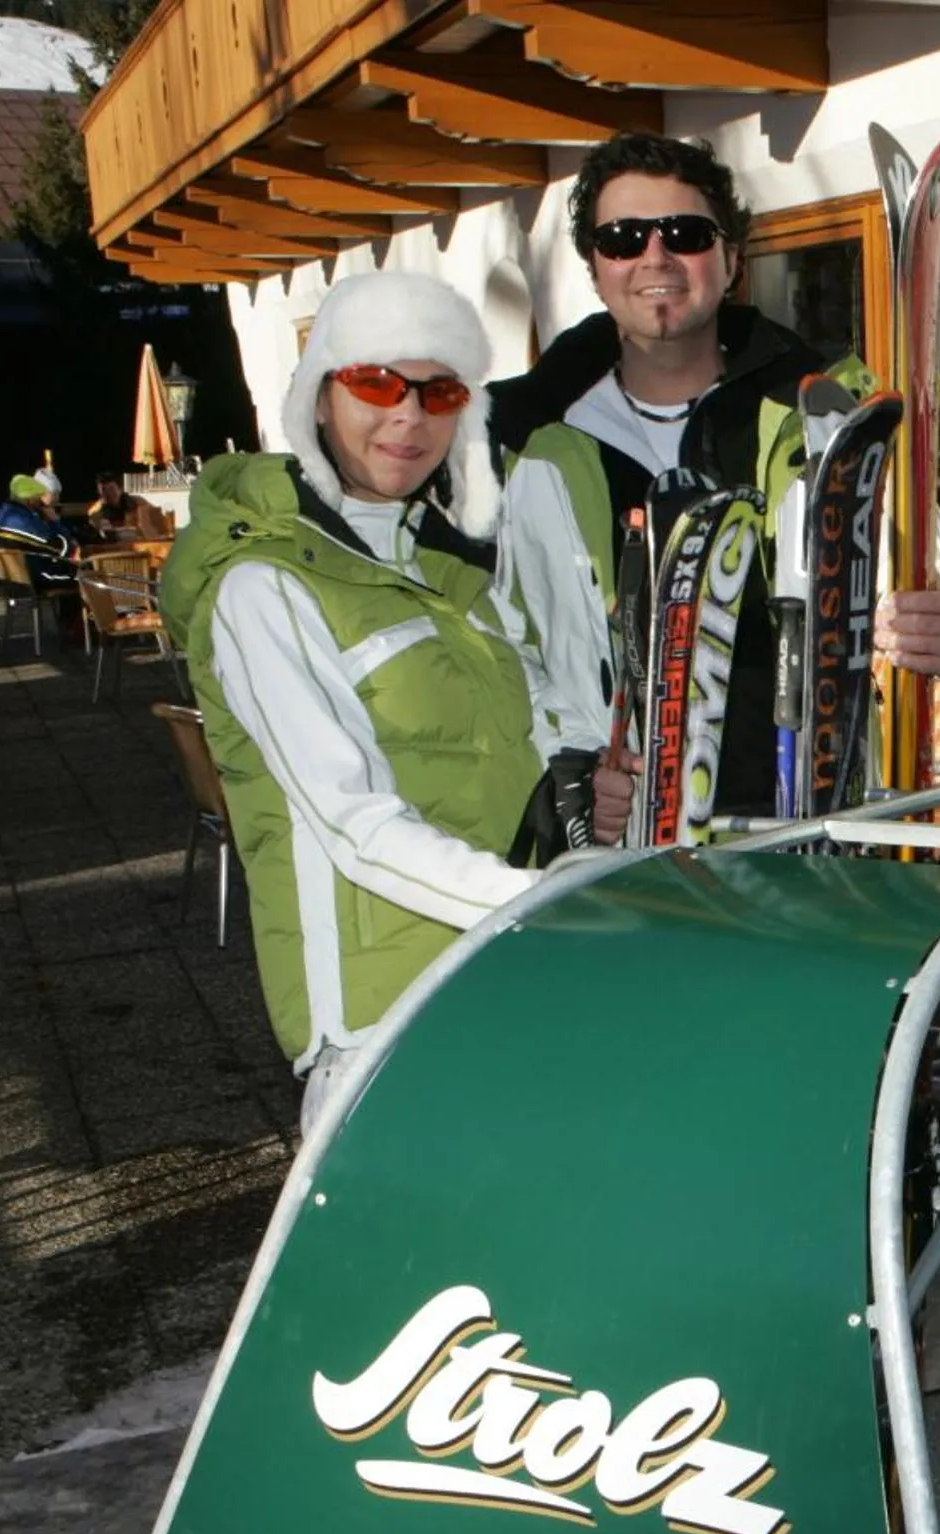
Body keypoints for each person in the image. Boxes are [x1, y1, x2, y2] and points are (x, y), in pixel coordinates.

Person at [490, 131, 940, 841]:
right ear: (596, 268)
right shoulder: (540, 452)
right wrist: (571, 780)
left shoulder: (817, 415)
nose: (655, 257)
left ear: (730, 260)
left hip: (812, 826)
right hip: (632, 844)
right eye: (624, 238)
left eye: (686, 234)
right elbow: (514, 651)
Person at [158, 271, 551, 1122]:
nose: (408, 416)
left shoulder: (444, 575)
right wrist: (555, 906)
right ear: (319, 396)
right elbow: (353, 824)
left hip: (492, 980)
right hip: (381, 1023)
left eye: (439, 390)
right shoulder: (262, 586)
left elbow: (506, 760)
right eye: (376, 382)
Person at [0, 472, 77, 589]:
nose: (39, 499)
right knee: (84, 578)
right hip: (38, 578)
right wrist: (54, 522)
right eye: (37, 496)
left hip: (12, 581)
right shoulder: (25, 521)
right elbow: (61, 549)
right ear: (28, 498)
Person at [88, 473, 170, 541]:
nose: (108, 493)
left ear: (120, 489)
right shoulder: (95, 512)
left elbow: (157, 528)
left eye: (111, 489)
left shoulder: (140, 503)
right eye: (103, 490)